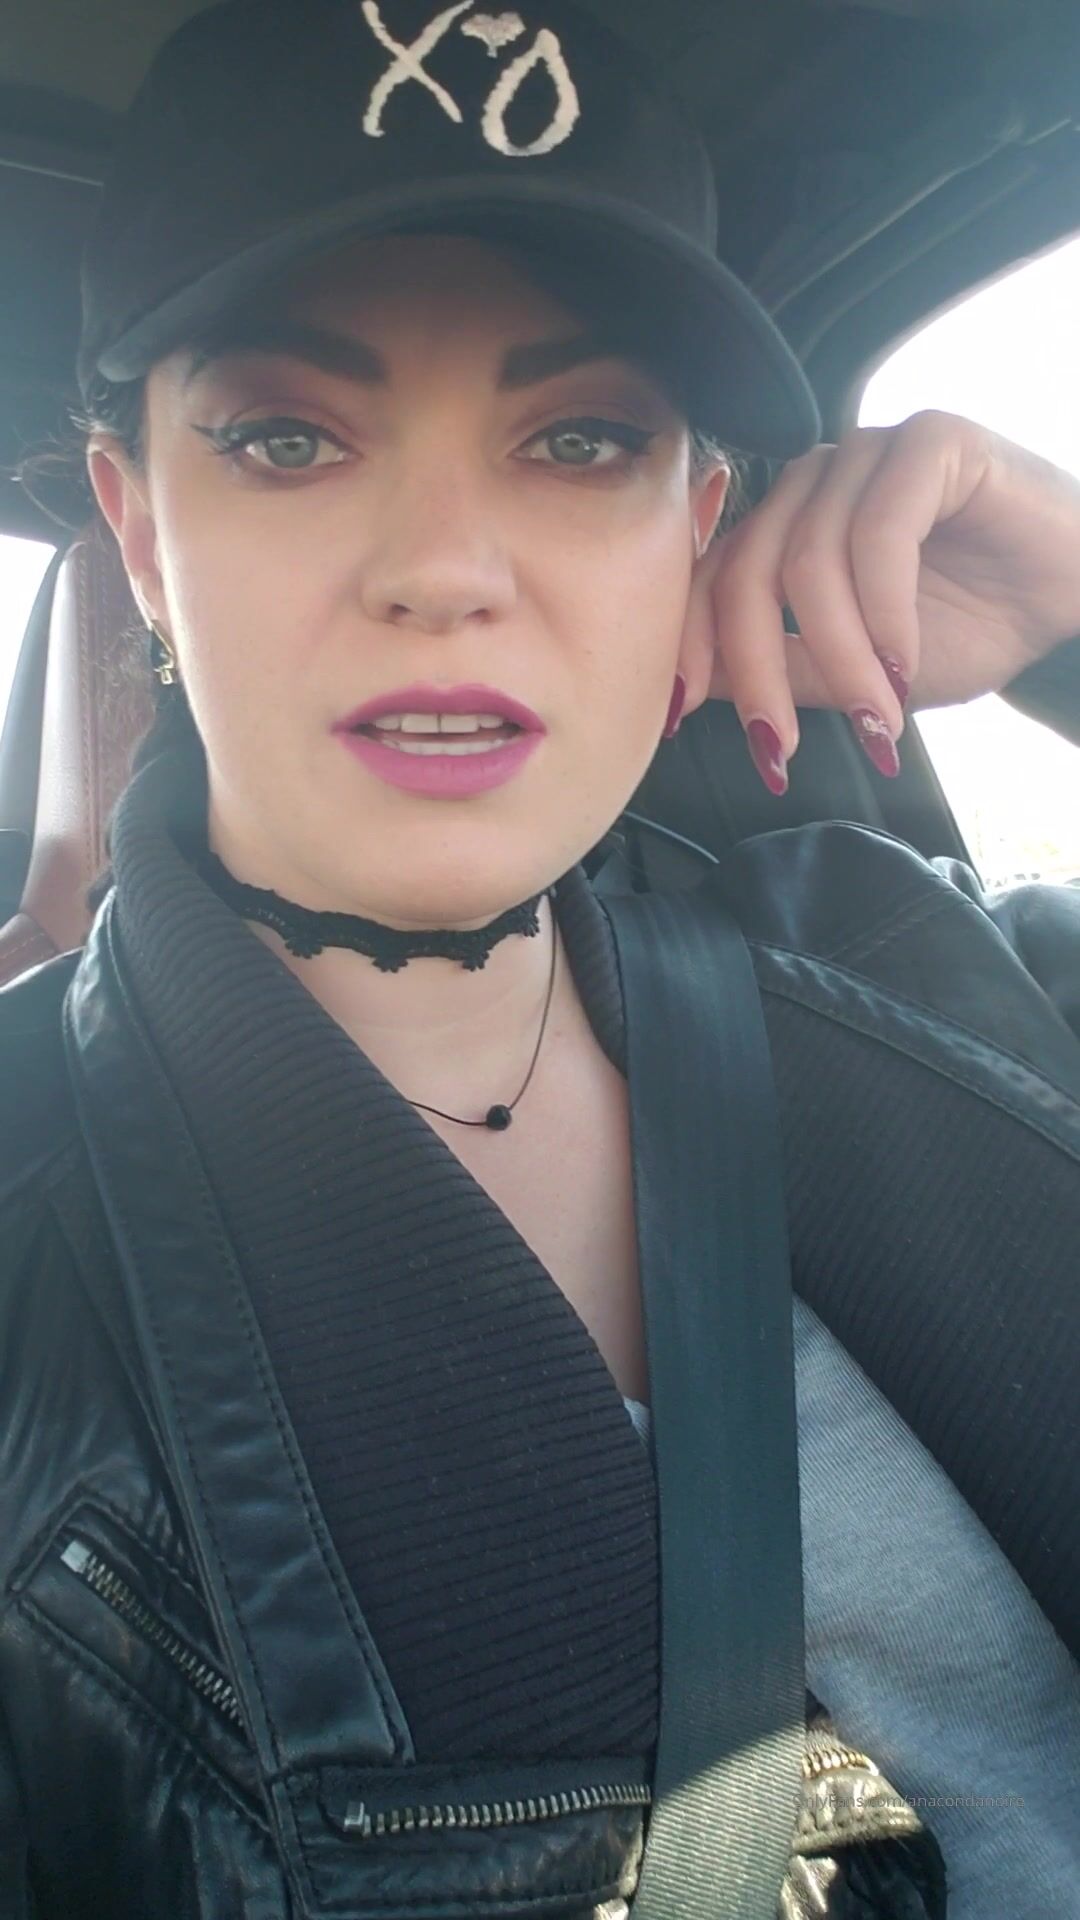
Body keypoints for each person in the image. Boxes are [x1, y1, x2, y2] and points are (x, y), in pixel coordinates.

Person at [1, 1, 1078, 1916]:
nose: (444, 568)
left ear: (701, 523)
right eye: (286, 437)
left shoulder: (939, 971)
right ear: (141, 529)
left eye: (582, 440)